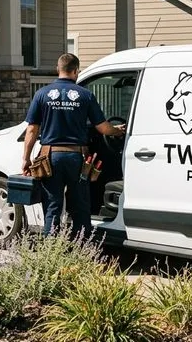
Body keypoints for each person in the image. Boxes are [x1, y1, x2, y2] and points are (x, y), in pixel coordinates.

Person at [22, 53, 125, 239]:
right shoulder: (85, 95)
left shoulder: (42, 94)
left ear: (57, 69)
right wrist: (117, 131)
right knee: (80, 206)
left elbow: (32, 130)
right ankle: (80, 251)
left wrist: (26, 159)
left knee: (52, 206)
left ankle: (51, 251)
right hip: (78, 159)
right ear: (76, 71)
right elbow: (102, 128)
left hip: (49, 158)